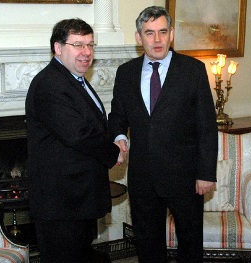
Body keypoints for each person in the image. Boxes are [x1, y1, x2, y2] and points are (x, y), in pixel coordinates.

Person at [108, 6, 218, 263]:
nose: (156, 40)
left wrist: (205, 173)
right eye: (149, 33)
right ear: (139, 37)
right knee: (147, 246)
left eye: (162, 32)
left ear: (171, 34)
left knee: (190, 245)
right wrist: (119, 136)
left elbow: (207, 126)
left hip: (186, 178)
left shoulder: (193, 70)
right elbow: (117, 117)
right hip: (143, 178)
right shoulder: (126, 73)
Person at [25, 18, 123, 263]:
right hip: (60, 203)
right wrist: (113, 152)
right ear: (58, 48)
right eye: (78, 45)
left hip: (78, 198)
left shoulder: (72, 79)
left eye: (90, 45)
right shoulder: (50, 84)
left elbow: (93, 124)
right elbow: (78, 134)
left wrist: (116, 137)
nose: (87, 52)